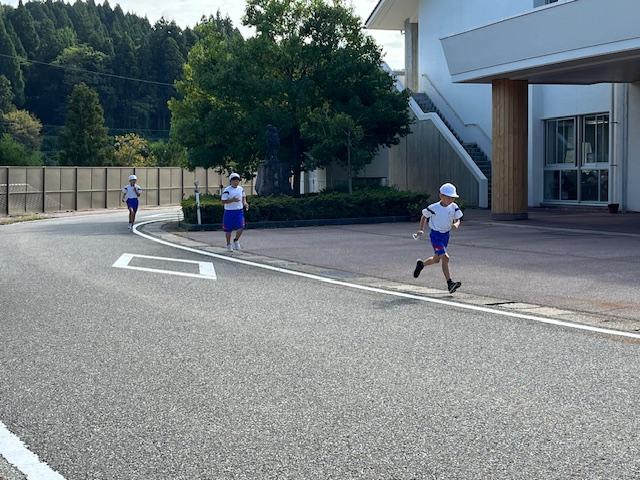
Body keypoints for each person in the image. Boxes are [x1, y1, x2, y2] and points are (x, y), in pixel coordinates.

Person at [413, 182, 463, 293]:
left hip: (446, 235)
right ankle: (450, 283)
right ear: (441, 196)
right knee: (445, 258)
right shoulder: (434, 207)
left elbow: (458, 219)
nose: (451, 200)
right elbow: (424, 216)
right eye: (448, 197)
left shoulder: (454, 207)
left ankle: (421, 265)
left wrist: (456, 224)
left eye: (453, 198)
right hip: (436, 236)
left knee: (436, 259)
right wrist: (421, 229)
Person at [221, 173, 249, 251]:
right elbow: (223, 201)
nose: (235, 182)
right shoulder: (227, 190)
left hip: (239, 211)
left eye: (237, 180)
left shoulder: (241, 189)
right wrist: (232, 200)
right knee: (228, 229)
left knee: (241, 227)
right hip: (229, 211)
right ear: (230, 181)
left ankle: (236, 240)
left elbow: (243, 197)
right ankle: (228, 244)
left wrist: (245, 203)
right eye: (234, 180)